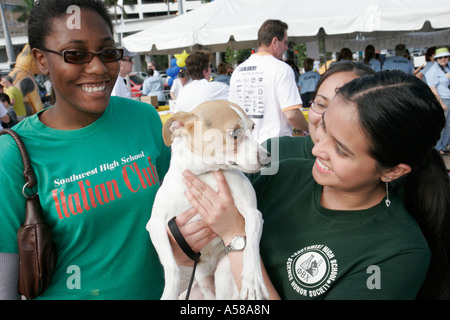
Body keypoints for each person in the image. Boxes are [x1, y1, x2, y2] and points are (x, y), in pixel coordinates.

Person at [177, 70, 450, 300]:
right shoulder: (278, 172)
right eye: (326, 129)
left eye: (342, 150)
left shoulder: (397, 254)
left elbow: (229, 231)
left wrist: (237, 236)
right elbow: (184, 248)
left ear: (392, 171)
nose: (318, 149)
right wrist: (180, 241)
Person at [0, 0, 171, 300]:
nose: (98, 67)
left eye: (108, 52)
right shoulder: (12, 155)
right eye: (76, 54)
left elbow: (178, 210)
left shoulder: (143, 119)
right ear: (41, 60)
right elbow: (5, 286)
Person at [268, 62, 374, 162]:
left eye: (344, 109)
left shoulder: (379, 164)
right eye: (321, 104)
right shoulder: (273, 151)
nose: (326, 118)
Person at [228, 19, 308, 143]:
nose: (286, 47)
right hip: (276, 147)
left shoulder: (238, 71)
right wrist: (309, 128)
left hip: (247, 146)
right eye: (285, 42)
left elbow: (233, 114)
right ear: (275, 41)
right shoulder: (282, 69)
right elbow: (291, 114)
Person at [426, 47, 450, 154]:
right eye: (440, 57)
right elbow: (432, 87)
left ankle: (444, 146)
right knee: (441, 125)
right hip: (442, 99)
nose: (443, 59)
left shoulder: (448, 67)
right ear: (436, 58)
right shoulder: (433, 69)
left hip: (448, 98)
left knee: (449, 125)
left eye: (445, 57)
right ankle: (438, 147)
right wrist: (441, 102)